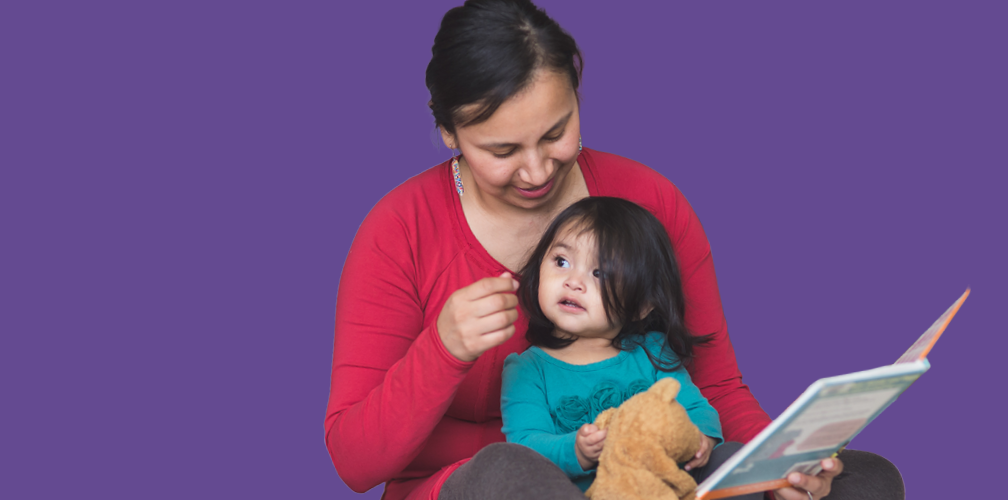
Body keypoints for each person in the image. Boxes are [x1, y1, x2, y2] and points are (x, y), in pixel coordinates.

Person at [325, 1, 903, 499]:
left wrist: (778, 466)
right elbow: (356, 463)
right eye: (501, 149)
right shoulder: (398, 230)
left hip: (650, 475)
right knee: (507, 474)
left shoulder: (647, 200)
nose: (535, 171)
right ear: (450, 133)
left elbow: (716, 384)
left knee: (863, 480)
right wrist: (444, 348)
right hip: (488, 483)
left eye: (556, 133)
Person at [500, 196, 729, 492]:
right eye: (561, 261)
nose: (573, 281)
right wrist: (577, 451)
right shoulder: (527, 369)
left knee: (729, 455)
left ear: (642, 305)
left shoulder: (652, 350)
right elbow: (524, 445)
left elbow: (695, 407)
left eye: (600, 273)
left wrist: (701, 438)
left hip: (660, 487)